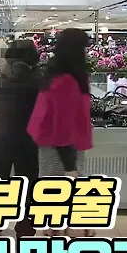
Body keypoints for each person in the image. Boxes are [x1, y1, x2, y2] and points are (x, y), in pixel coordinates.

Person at [27, 29, 94, 237]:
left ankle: (58, 228)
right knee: (60, 188)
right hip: (62, 145)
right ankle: (62, 230)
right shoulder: (67, 81)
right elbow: (63, 126)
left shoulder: (56, 76)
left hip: (55, 143)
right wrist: (70, 164)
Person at [0, 40, 41, 238]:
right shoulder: (38, 77)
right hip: (28, 137)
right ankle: (25, 225)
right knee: (28, 181)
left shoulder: (2, 76)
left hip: (0, 135)